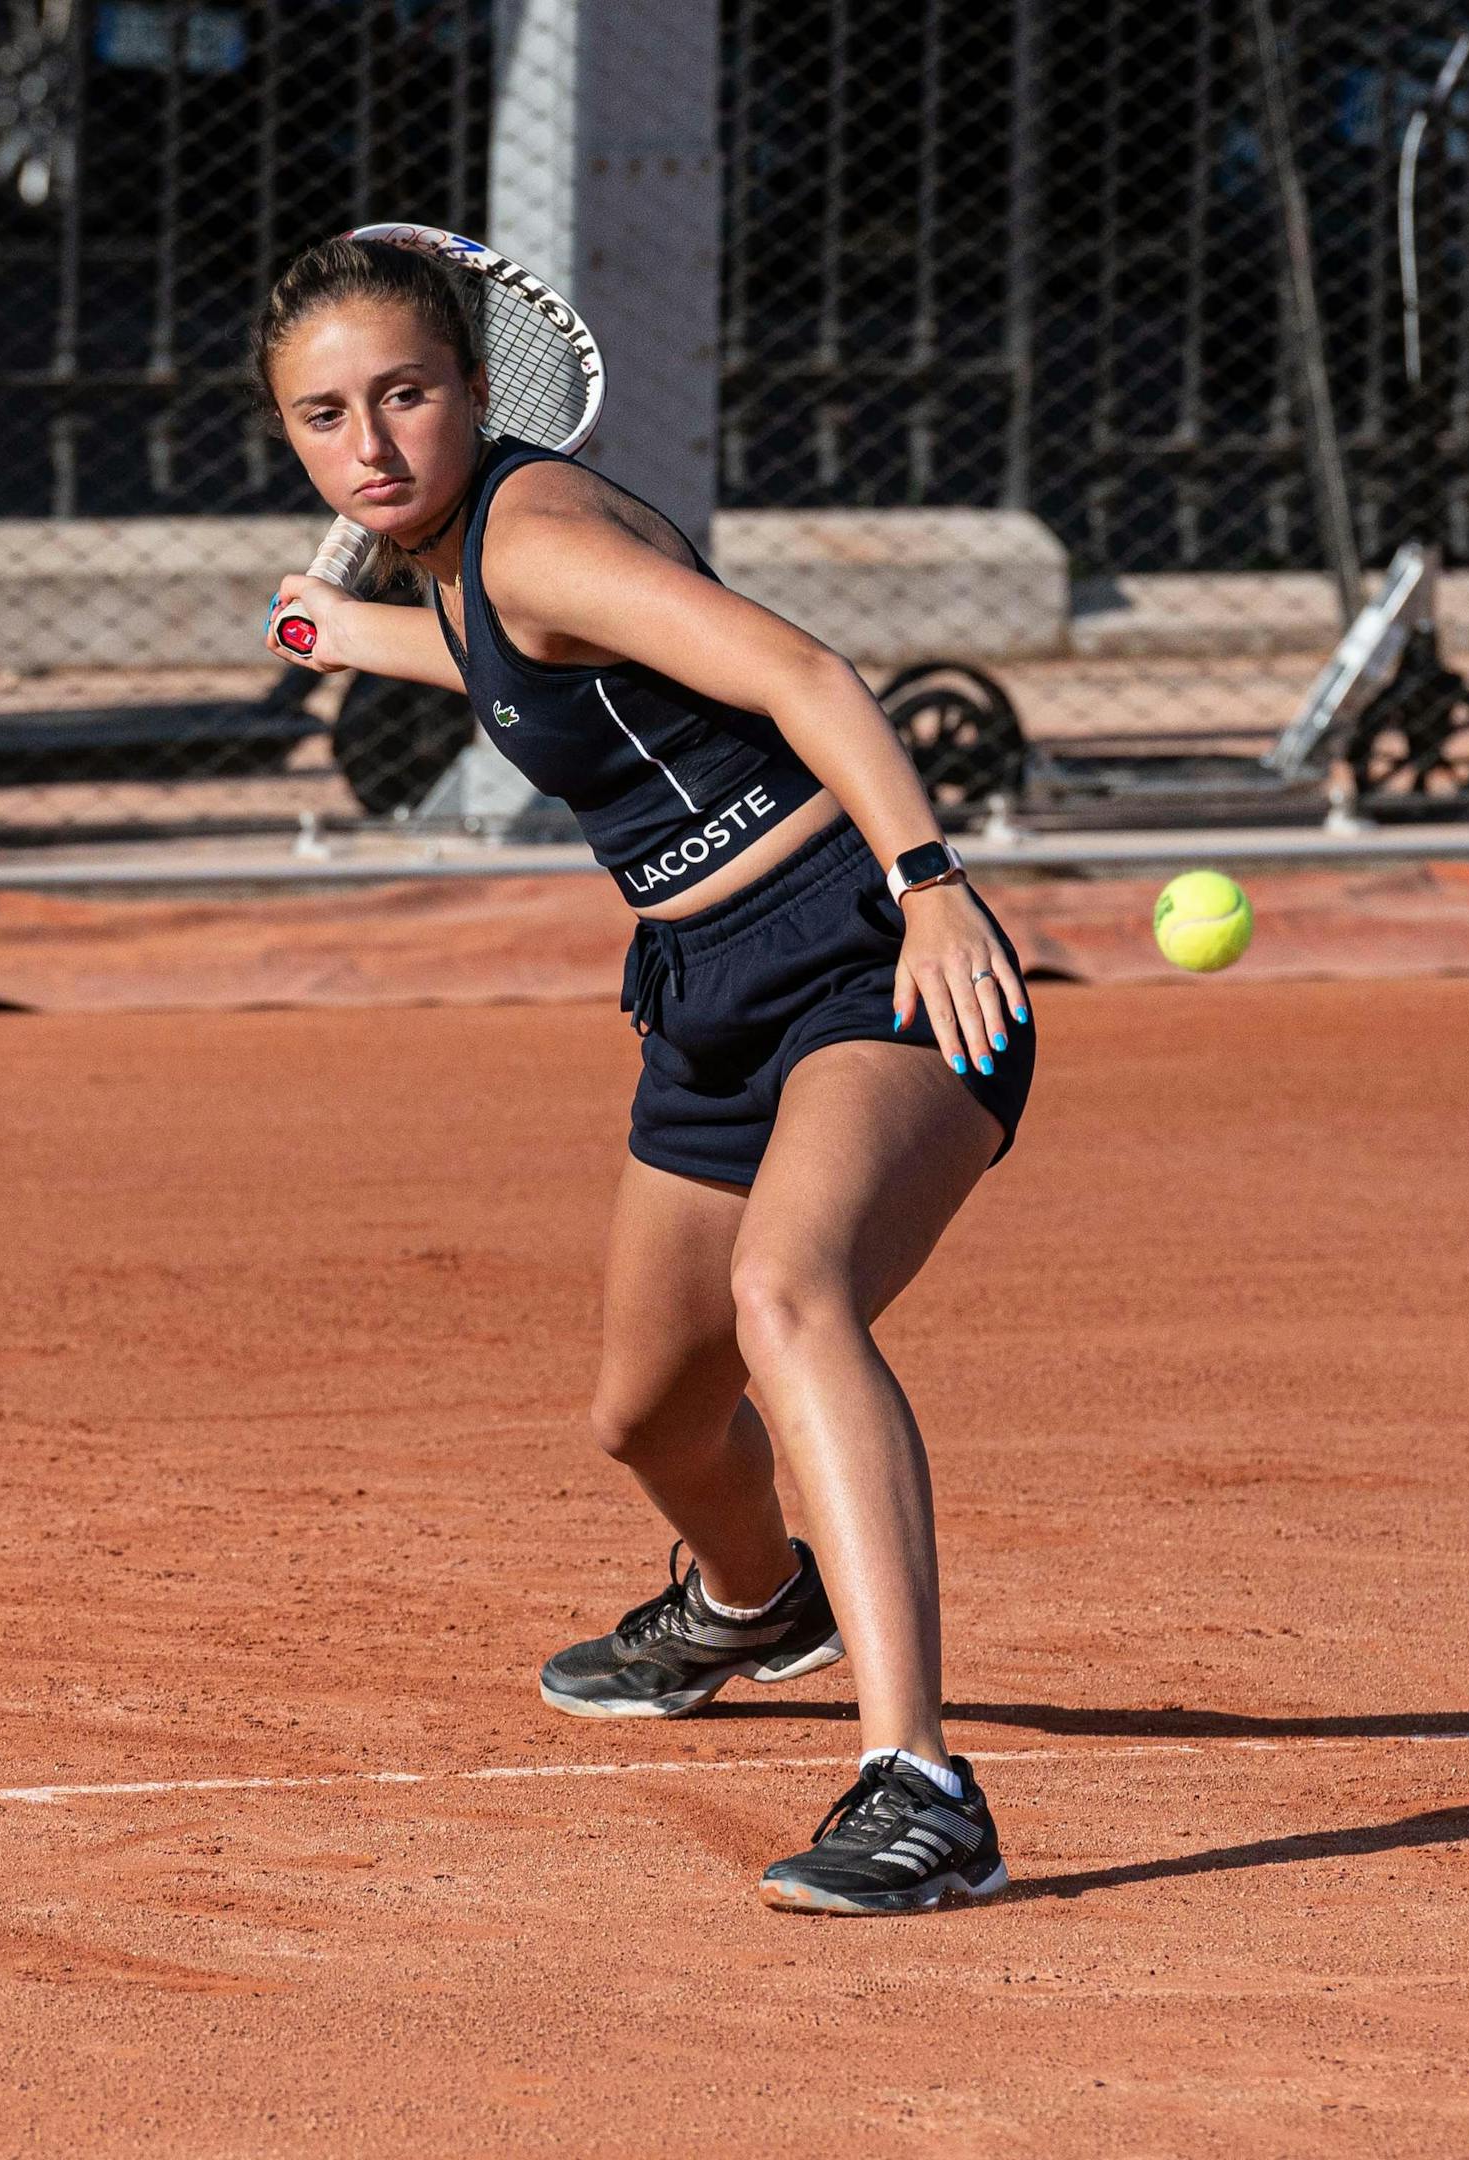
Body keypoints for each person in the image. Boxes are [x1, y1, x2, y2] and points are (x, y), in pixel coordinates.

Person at [257, 236, 1034, 1915]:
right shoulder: (457, 560)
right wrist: (345, 631)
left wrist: (932, 884)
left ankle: (922, 1783)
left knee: (790, 1292)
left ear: (473, 389)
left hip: (860, 947)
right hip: (703, 995)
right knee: (646, 1419)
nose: (372, 445)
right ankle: (756, 1604)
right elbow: (509, 667)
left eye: (405, 396)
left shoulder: (532, 530)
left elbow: (805, 675)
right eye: (327, 418)